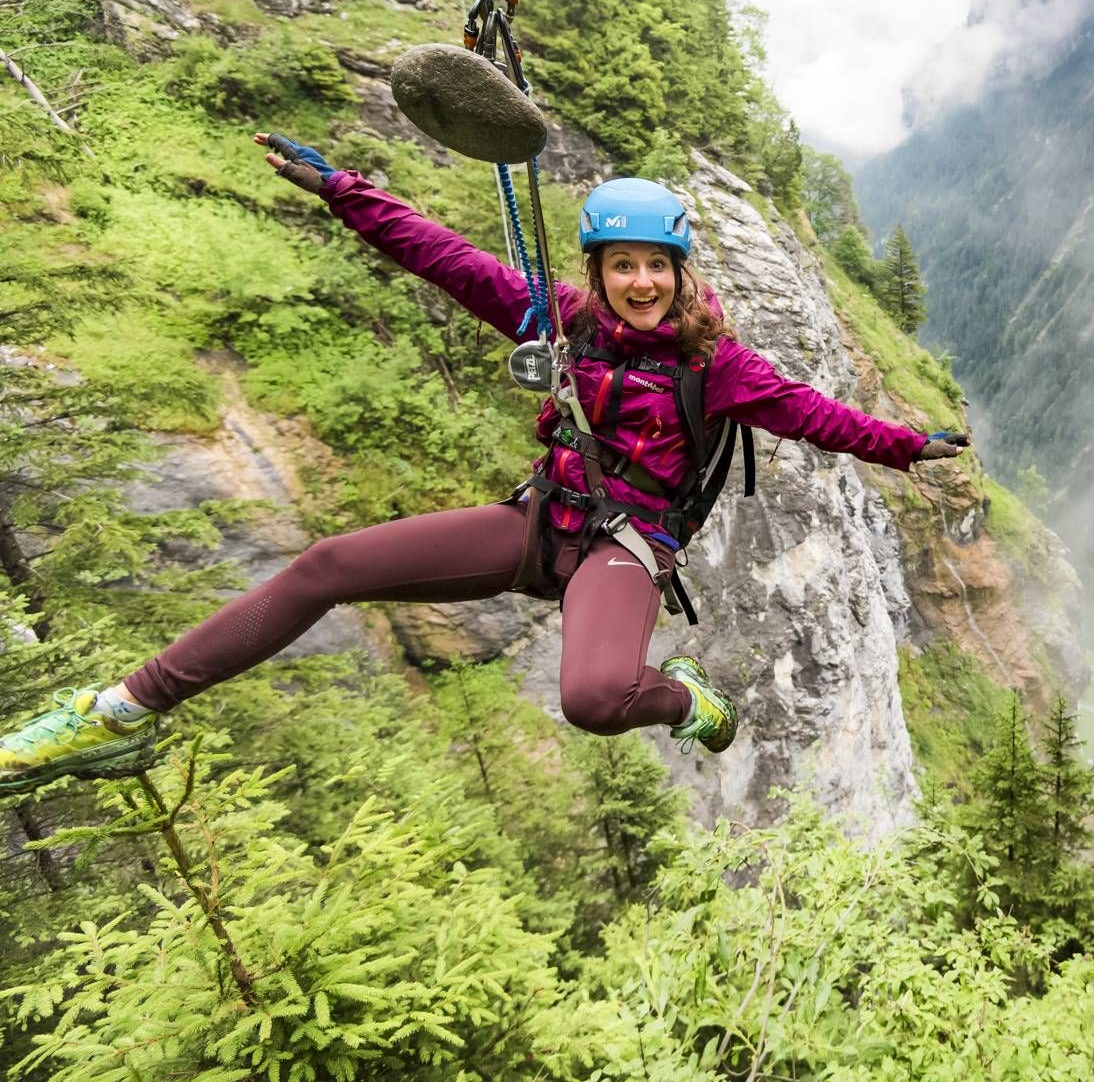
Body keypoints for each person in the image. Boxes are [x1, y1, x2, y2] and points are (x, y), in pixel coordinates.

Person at [0, 134, 969, 795]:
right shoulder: (559, 317)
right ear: (598, 269)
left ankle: (689, 699)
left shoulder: (718, 363)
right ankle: (123, 708)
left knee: (595, 698)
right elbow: (446, 257)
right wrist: (349, 193)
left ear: (681, 272)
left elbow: (814, 415)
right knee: (327, 565)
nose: (639, 281)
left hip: (626, 545)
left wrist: (908, 443)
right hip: (541, 520)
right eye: (621, 263)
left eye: (655, 265)